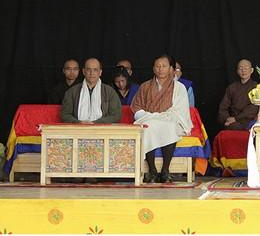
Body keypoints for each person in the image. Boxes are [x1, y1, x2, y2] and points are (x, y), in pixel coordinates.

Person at [131, 55, 193, 183]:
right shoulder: (145, 86)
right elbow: (136, 107)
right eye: (157, 66)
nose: (160, 69)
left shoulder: (179, 87)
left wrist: (157, 117)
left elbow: (179, 111)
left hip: (169, 120)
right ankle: (152, 170)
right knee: (148, 127)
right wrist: (150, 117)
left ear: (171, 69)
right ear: (153, 69)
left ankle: (165, 170)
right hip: (149, 120)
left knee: (169, 127)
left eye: (164, 66)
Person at [61, 58, 122, 124]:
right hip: (78, 128)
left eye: (95, 70)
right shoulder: (72, 92)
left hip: (102, 128)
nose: (91, 73)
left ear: (100, 72)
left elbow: (116, 115)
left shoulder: (109, 92)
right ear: (84, 72)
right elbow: (65, 115)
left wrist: (96, 123)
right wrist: (79, 123)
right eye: (88, 69)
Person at [217, 59, 258, 130]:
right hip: (233, 121)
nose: (243, 70)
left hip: (249, 121)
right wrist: (227, 119)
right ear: (237, 71)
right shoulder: (232, 87)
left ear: (251, 70)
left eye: (246, 68)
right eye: (240, 68)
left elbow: (254, 108)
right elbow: (223, 107)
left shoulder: (257, 87)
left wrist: (236, 118)